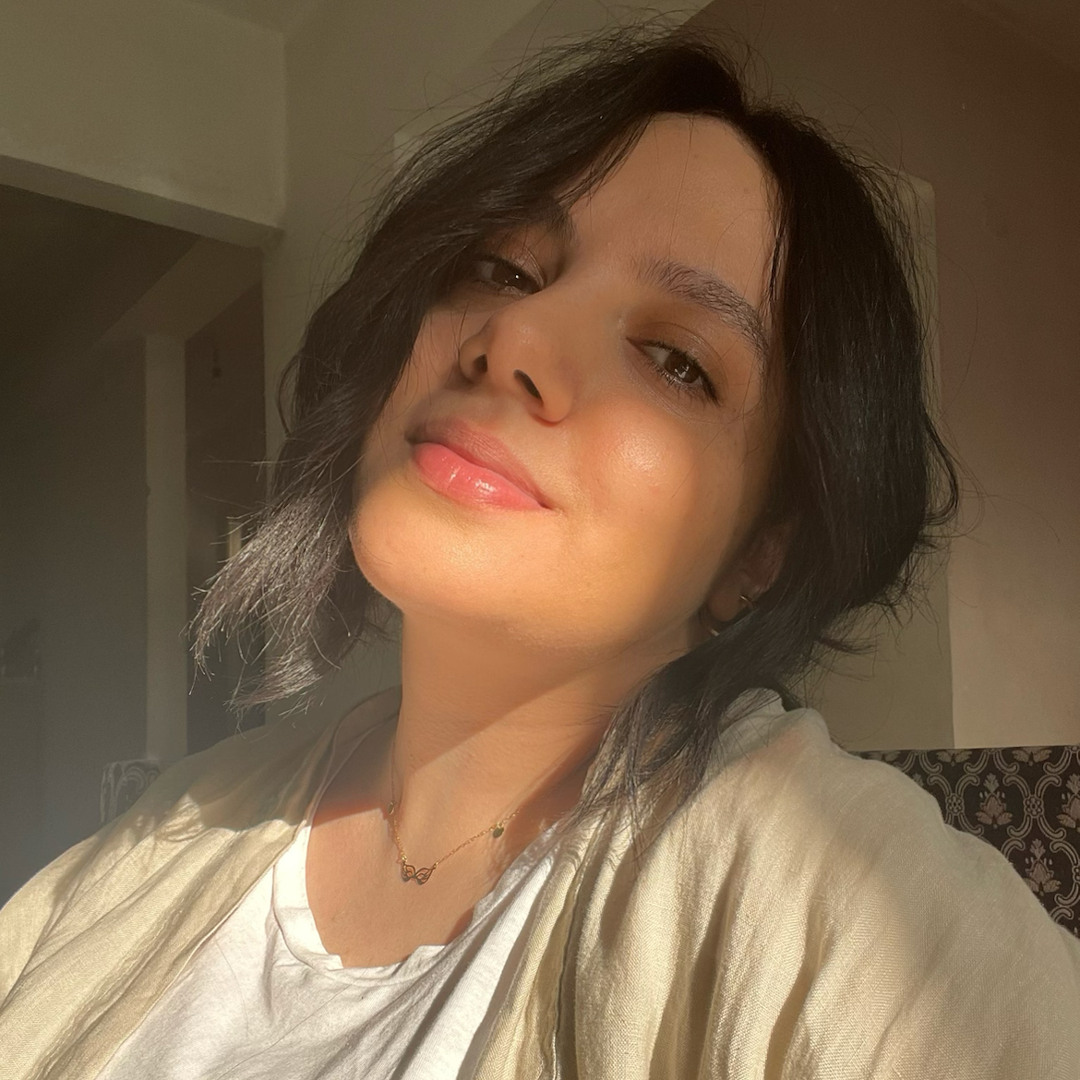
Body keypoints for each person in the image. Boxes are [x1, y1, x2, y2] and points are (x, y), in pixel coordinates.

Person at [1, 27, 1078, 1080]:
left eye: (675, 360)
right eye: (504, 269)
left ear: (762, 552)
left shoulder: (857, 912)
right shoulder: (161, 838)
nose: (510, 338)